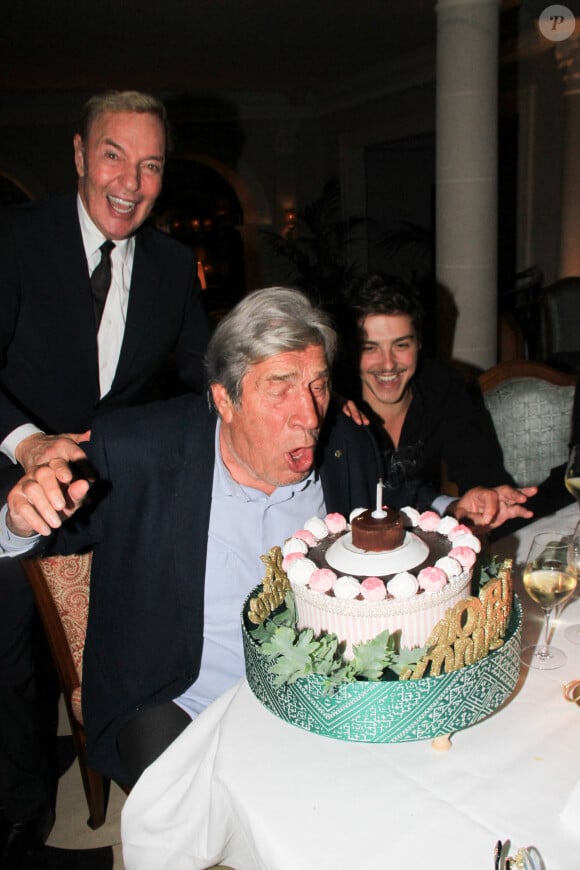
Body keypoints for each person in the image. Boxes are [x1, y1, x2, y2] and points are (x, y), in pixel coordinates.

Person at [0, 287, 534, 792]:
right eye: (279, 388)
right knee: (197, 819)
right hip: (181, 693)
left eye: (319, 385)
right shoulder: (142, 450)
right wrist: (21, 518)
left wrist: (451, 507)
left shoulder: (343, 440)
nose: (308, 418)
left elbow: (387, 494)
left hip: (319, 685)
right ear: (224, 400)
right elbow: (51, 526)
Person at [0, 89, 210, 866]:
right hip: (13, 483)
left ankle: (135, 752)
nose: (132, 179)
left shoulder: (172, 262)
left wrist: (287, 388)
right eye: (115, 155)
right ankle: (22, 807)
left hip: (115, 493)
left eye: (151, 164)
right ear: (82, 155)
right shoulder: (17, 238)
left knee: (130, 634)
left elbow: (202, 371)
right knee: (11, 656)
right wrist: (27, 445)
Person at [336, 274, 516, 514]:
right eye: (370, 348)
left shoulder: (443, 387)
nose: (388, 364)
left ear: (419, 343)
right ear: (351, 351)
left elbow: (480, 473)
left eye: (401, 345)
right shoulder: (331, 407)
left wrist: (482, 501)